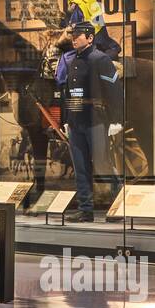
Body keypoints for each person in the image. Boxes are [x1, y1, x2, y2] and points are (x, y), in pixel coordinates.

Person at [63, 23, 123, 223]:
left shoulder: (101, 59)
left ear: (90, 38)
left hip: (96, 119)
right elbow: (69, 93)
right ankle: (85, 209)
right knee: (80, 167)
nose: (74, 38)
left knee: (102, 165)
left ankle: (118, 207)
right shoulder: (72, 61)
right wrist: (67, 119)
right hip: (76, 119)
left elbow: (113, 91)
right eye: (73, 35)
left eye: (78, 35)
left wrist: (116, 120)